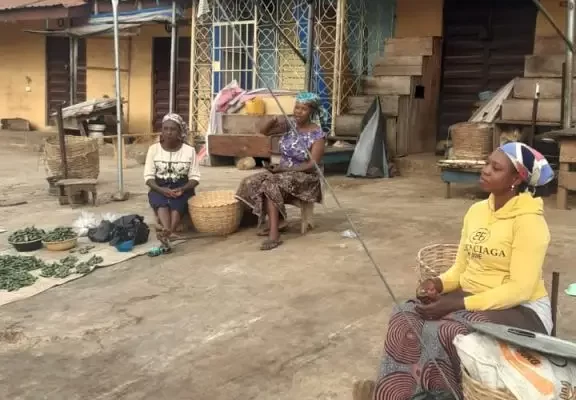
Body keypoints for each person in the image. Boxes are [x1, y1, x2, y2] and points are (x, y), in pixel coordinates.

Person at [374, 142, 555, 399]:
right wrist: (437, 283)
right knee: (405, 315)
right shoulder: (476, 212)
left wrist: (457, 303)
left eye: (496, 167)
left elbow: (520, 289)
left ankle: (445, 395)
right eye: (487, 163)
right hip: (474, 298)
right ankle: (397, 394)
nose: (485, 170)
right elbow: (460, 269)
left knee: (448, 329)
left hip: (521, 310)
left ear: (516, 178)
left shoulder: (530, 222)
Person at [235, 92, 326, 250]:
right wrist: (273, 120)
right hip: (282, 173)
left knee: (271, 184)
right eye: (297, 107)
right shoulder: (289, 125)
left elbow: (313, 164)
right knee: (250, 181)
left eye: (303, 109)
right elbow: (261, 132)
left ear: (311, 112)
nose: (298, 112)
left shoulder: (317, 134)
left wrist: (286, 169)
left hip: (305, 177)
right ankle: (277, 219)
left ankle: (274, 234)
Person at [144, 113, 200, 246]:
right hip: (159, 185)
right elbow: (148, 177)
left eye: (173, 129)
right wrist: (161, 189)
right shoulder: (153, 149)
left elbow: (195, 177)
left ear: (180, 132)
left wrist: (183, 188)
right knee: (160, 200)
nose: (168, 132)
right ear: (162, 131)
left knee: (179, 201)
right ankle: (168, 230)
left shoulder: (189, 150)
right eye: (165, 128)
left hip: (182, 185)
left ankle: (169, 230)